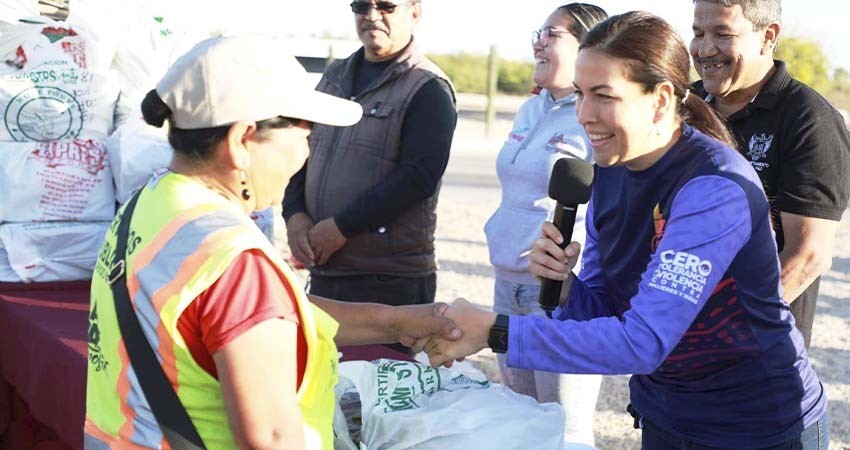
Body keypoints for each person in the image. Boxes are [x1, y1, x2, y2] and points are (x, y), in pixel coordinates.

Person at [420, 12, 829, 449]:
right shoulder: (610, 171)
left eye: (603, 96)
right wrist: (563, 289)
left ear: (661, 99)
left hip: (757, 426)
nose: (583, 115)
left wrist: (494, 331)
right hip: (667, 416)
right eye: (579, 94)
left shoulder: (713, 187)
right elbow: (610, 310)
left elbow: (643, 341)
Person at [84, 35, 462, 450]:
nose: (306, 154)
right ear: (242, 141)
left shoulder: (151, 205)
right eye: (305, 135)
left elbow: (257, 316)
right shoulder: (234, 258)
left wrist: (396, 321)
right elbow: (272, 438)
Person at [282, 0, 457, 319]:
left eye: (386, 6)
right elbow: (299, 148)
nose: (372, 16)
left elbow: (418, 178)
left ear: (414, 12)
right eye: (362, 5)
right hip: (326, 271)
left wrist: (341, 227)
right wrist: (294, 215)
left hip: (387, 281)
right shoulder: (332, 79)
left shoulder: (428, 87)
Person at [690, 0, 850, 348]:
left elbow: (807, 255)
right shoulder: (682, 105)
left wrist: (719, 334)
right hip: (671, 348)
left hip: (754, 354)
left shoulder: (809, 120)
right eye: (698, 32)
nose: (704, 49)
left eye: (723, 33)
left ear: (768, 36)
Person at [483, 3, 606, 446]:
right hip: (506, 285)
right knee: (520, 424)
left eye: (551, 34)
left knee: (564, 432)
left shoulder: (596, 115)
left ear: (587, 46)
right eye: (539, 32)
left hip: (556, 296)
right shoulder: (530, 109)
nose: (538, 41)